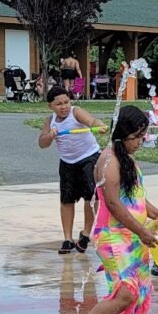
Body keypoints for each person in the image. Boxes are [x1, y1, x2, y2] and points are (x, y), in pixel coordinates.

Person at [59, 106, 158, 314]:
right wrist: (142, 230)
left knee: (141, 292)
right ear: (125, 133)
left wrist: (156, 215)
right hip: (114, 237)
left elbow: (136, 197)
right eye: (138, 136)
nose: (141, 142)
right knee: (126, 294)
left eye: (144, 136)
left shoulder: (128, 159)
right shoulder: (108, 161)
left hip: (134, 236)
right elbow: (114, 204)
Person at [38, 86, 107, 254]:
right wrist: (51, 135)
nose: (64, 106)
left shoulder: (76, 112)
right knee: (67, 200)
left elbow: (91, 121)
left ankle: (85, 234)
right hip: (67, 163)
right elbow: (42, 143)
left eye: (66, 102)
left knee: (91, 197)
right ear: (51, 106)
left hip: (89, 158)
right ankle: (68, 239)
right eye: (59, 104)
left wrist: (99, 125)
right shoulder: (50, 121)